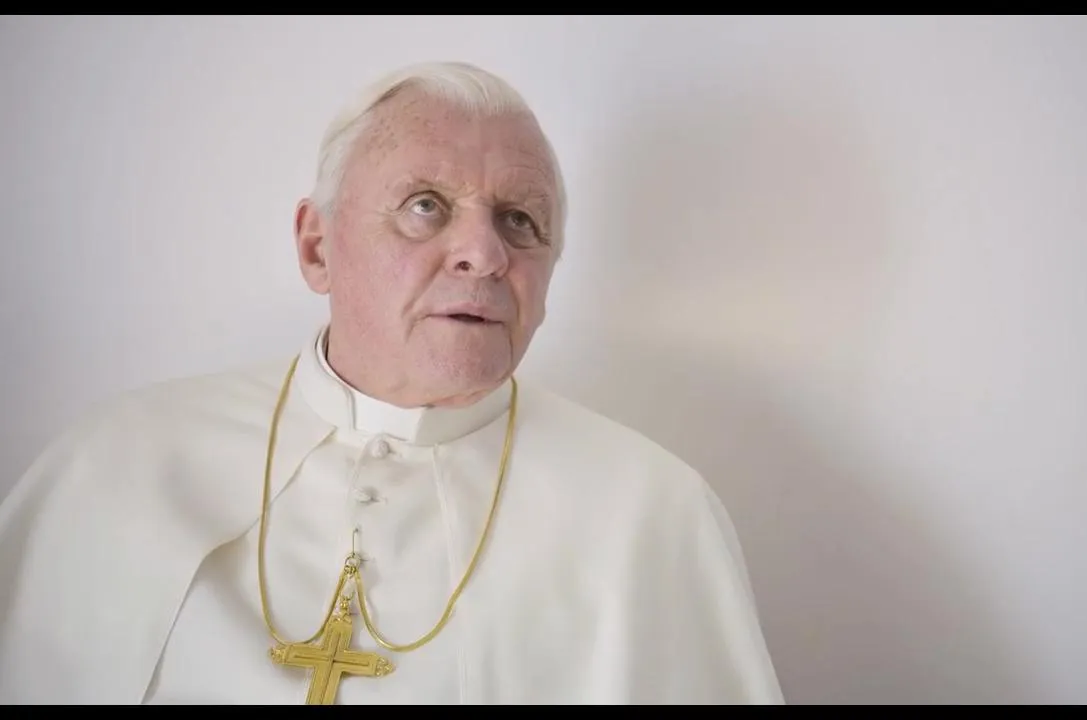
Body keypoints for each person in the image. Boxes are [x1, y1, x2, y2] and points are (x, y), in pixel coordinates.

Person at [0, 61, 784, 705]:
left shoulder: (653, 516)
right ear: (316, 248)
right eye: (425, 206)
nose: (484, 254)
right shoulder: (116, 462)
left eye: (520, 220)